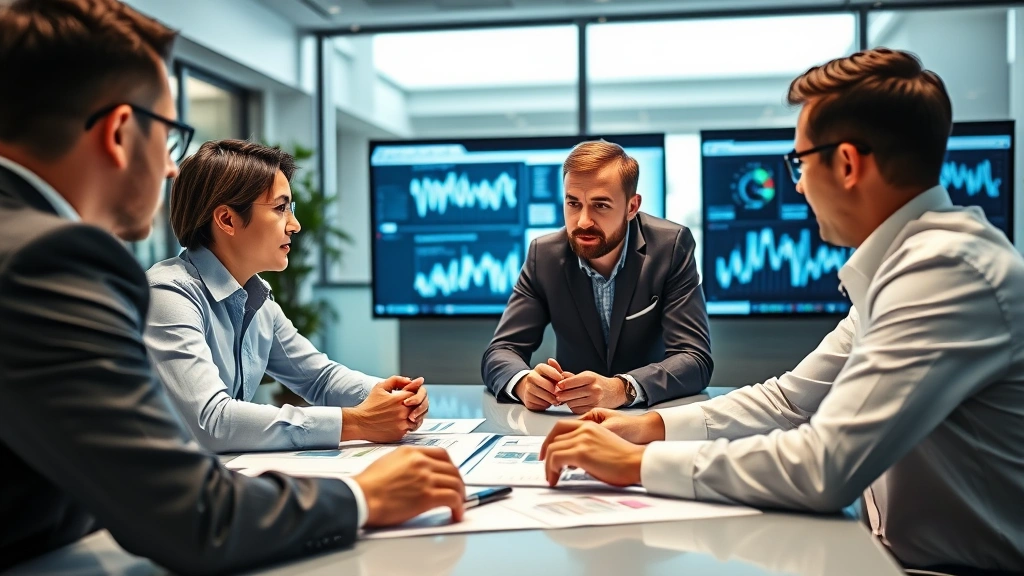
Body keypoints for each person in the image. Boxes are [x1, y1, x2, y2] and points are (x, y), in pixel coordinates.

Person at [0, 1, 464, 573]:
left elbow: (315, 375)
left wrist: (381, 398)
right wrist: (365, 494)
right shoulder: (52, 261)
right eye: (169, 137)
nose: (172, 169)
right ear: (121, 132)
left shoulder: (252, 295)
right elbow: (193, 512)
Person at [540, 48, 1024, 572]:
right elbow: (789, 401)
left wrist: (637, 463)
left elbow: (824, 467)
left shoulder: (945, 274)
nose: (796, 184)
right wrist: (650, 425)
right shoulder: (909, 268)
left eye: (799, 162)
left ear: (846, 163)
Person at [145, 139, 428, 453]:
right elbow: (213, 421)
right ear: (227, 219)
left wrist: (390, 394)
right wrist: (357, 422)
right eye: (280, 208)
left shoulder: (254, 296)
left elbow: (318, 378)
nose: (295, 224)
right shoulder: (168, 294)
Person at [481, 140, 713, 413]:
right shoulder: (543, 255)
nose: (583, 221)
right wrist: (523, 382)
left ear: (631, 207)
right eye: (573, 203)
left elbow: (695, 358)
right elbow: (501, 351)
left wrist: (623, 388)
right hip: (571, 423)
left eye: (600, 205)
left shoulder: (671, 247)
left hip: (649, 419)